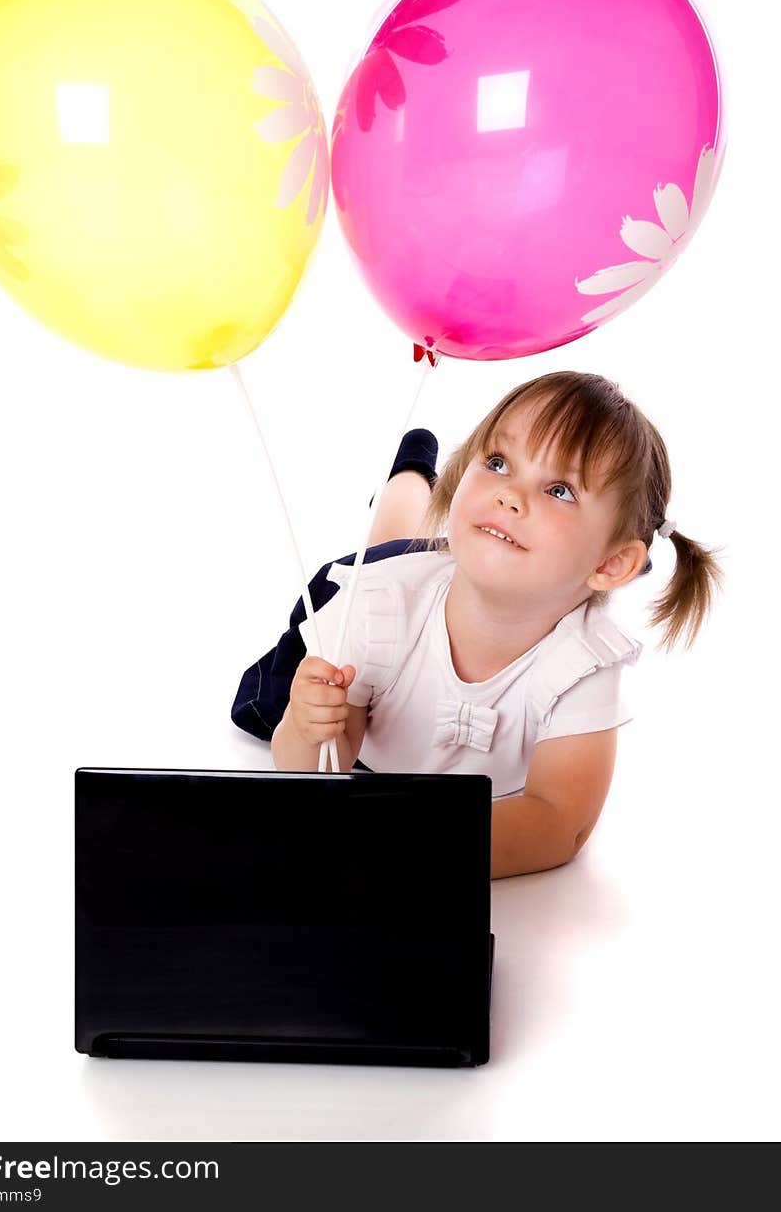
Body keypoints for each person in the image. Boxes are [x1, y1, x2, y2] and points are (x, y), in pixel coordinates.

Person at [231, 371, 721, 879]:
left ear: (611, 564)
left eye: (559, 490)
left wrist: (422, 845)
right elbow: (310, 772)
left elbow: (561, 822)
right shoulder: (380, 606)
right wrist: (309, 726)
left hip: (429, 584)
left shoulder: (582, 664)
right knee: (394, 539)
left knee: (415, 538)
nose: (510, 495)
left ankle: (412, 481)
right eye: (497, 462)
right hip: (398, 580)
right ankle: (409, 472)